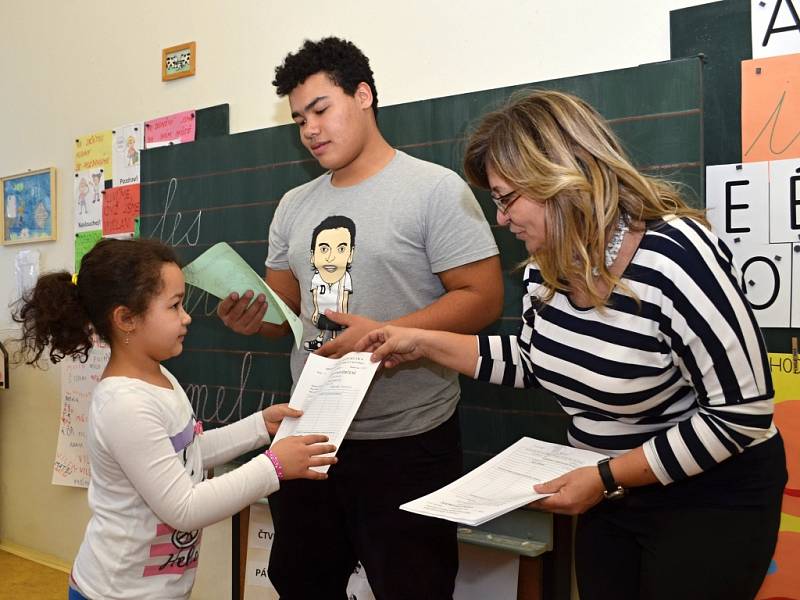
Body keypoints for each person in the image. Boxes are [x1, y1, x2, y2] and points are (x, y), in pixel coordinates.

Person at [354, 90, 787, 600]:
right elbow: (534, 360)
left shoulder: (674, 258)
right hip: (612, 488)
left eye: (505, 198)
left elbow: (742, 413)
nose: (501, 219)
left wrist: (605, 476)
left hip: (711, 493)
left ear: (559, 176)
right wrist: (421, 341)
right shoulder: (546, 265)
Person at [217, 37, 502, 598]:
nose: (310, 129)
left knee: (412, 585)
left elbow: (484, 297)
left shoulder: (434, 190)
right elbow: (286, 318)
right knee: (300, 581)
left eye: (321, 109)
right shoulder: (293, 206)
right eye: (299, 119)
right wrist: (254, 319)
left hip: (409, 438)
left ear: (364, 95)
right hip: (313, 437)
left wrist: (388, 334)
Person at [13, 238, 336, 600]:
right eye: (175, 306)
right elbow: (184, 508)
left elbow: (189, 452)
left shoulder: (160, 377)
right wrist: (274, 467)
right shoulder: (124, 405)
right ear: (126, 319)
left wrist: (260, 426)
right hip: (116, 593)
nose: (187, 317)